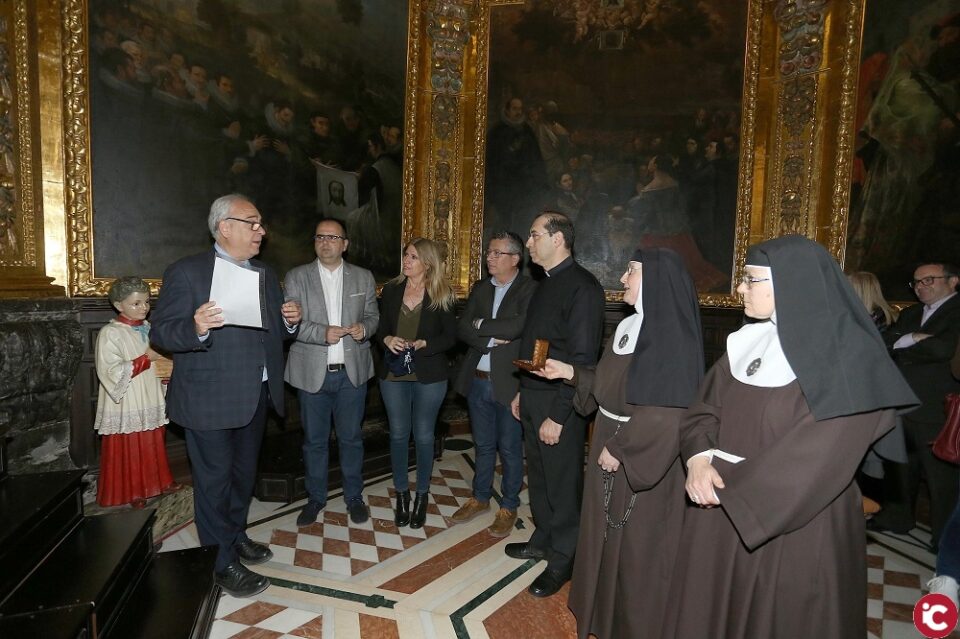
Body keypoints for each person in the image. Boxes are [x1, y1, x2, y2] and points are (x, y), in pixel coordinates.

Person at [668, 235, 917, 638]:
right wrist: (698, 458)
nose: (740, 289)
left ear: (788, 282)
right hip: (718, 495)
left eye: (751, 280)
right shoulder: (747, 340)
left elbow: (818, 457)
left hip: (794, 518)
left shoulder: (849, 358)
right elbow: (704, 408)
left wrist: (729, 491)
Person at [539, 248, 703, 638]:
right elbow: (608, 384)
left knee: (637, 544)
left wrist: (624, 447)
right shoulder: (630, 326)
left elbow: (670, 411)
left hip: (639, 450)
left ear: (657, 281)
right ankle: (601, 613)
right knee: (604, 533)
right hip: (609, 442)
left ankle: (632, 623)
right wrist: (571, 373)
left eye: (631, 271)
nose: (624, 279)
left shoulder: (671, 337)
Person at [150, 194, 302, 598]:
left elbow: (272, 333)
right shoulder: (187, 272)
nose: (261, 231)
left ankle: (234, 538)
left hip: (255, 395)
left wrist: (290, 324)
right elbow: (161, 332)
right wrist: (196, 325)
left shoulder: (266, 274)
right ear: (225, 227)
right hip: (209, 400)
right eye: (253, 223)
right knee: (214, 483)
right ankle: (220, 563)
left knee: (241, 478)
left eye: (261, 223)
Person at [505, 211, 605, 598]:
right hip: (533, 396)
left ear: (557, 238)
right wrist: (522, 390)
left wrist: (559, 415)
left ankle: (565, 557)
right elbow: (538, 345)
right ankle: (544, 538)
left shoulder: (583, 288)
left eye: (533, 236)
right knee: (541, 476)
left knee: (563, 484)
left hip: (559, 404)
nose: (528, 244)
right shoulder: (545, 283)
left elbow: (581, 361)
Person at [285, 218, 379, 527]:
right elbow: (292, 324)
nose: (326, 242)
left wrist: (364, 328)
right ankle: (316, 498)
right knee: (314, 441)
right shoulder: (297, 277)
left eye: (333, 237)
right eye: (320, 236)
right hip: (313, 373)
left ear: (345, 244)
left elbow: (372, 316)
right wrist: (321, 333)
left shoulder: (363, 278)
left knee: (351, 439)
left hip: (351, 374)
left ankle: (354, 497)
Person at [451, 231, 536, 537]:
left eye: (497, 253)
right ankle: (480, 498)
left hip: (509, 383)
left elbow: (518, 327)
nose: (489, 257)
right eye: (489, 252)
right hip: (476, 380)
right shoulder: (481, 288)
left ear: (515, 258)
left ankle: (509, 505)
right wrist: (489, 335)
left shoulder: (529, 289)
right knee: (483, 445)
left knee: (511, 448)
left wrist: (480, 325)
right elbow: (462, 327)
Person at [871, 262, 960, 550]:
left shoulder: (957, 312)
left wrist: (907, 344)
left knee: (940, 479)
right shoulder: (910, 313)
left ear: (953, 281)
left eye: (929, 280)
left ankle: (944, 538)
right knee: (900, 467)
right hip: (902, 402)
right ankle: (898, 518)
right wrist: (915, 338)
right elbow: (885, 342)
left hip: (937, 408)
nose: (921, 286)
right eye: (917, 282)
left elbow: (945, 349)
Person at [377, 238, 457, 529]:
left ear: (427, 263)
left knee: (424, 436)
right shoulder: (391, 290)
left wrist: (426, 343)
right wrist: (386, 338)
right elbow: (380, 328)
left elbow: (451, 337)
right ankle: (401, 495)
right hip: (394, 374)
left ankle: (422, 495)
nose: (406, 261)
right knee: (398, 434)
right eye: (406, 255)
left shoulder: (442, 294)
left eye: (413, 257)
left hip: (430, 375)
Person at [94, 276, 177, 508]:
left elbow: (161, 359)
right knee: (131, 443)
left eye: (147, 302)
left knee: (154, 439)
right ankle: (133, 490)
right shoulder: (111, 333)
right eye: (136, 303)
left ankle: (160, 482)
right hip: (128, 396)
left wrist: (166, 371)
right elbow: (109, 370)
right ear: (119, 305)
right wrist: (146, 358)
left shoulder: (151, 329)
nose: (144, 308)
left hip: (150, 392)